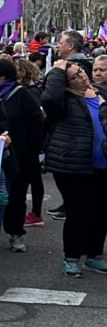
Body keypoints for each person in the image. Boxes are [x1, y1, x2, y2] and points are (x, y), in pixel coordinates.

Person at [41, 59, 107, 277]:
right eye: (75, 76)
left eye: (81, 71)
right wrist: (58, 70)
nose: (82, 76)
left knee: (101, 211)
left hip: (102, 164)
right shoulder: (64, 101)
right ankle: (71, 257)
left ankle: (94, 255)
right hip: (73, 164)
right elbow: (49, 98)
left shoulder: (100, 92)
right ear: (66, 83)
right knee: (78, 211)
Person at [0, 58, 44, 252]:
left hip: (20, 157)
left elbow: (37, 124)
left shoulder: (22, 95)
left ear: (2, 75)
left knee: (16, 197)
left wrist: (30, 149)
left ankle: (16, 233)